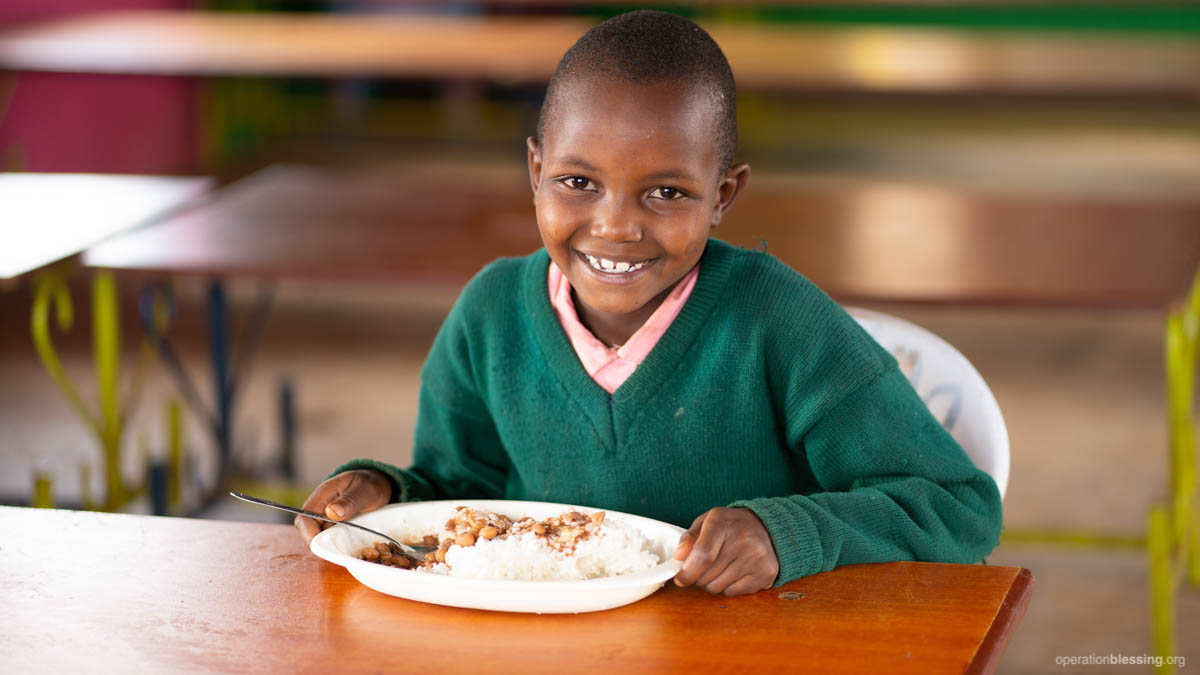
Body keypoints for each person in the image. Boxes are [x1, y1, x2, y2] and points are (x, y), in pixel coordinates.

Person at [294, 10, 1002, 596]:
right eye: (577, 181)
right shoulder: (490, 316)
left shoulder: (780, 322)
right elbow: (459, 495)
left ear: (723, 194)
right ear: (535, 170)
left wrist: (787, 536)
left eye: (666, 192)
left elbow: (958, 505)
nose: (616, 226)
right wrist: (384, 492)